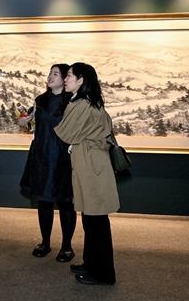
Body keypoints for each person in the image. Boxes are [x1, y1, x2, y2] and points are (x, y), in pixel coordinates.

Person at [54, 62, 119, 285]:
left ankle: (104, 273)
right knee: (91, 218)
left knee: (96, 221)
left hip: (92, 167)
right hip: (91, 165)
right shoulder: (89, 102)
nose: (65, 79)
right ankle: (91, 264)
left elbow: (65, 133)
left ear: (81, 81)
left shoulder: (81, 104)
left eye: (69, 75)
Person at [19, 64, 76, 262]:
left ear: (65, 78)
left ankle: (67, 246)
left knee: (65, 202)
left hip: (63, 157)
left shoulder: (72, 102)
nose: (50, 77)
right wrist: (24, 121)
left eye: (56, 74)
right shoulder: (40, 100)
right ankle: (45, 242)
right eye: (50, 73)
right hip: (41, 155)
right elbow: (28, 123)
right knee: (43, 200)